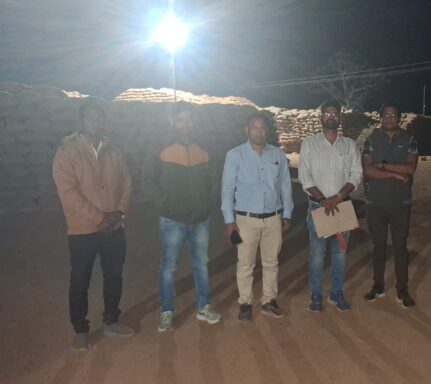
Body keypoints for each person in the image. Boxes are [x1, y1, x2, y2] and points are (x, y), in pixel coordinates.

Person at [52, 101, 134, 350]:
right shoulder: (67, 152)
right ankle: (80, 329)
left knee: (114, 276)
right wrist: (99, 218)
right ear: (81, 121)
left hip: (114, 227)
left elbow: (127, 183)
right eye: (90, 118)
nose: (95, 122)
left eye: (99, 118)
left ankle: (111, 320)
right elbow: (68, 192)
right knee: (80, 279)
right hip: (82, 229)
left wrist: (120, 211)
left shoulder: (114, 152)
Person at [143, 103, 222, 332]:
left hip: (200, 219)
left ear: (194, 122)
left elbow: (214, 178)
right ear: (172, 121)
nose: (185, 124)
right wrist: (167, 204)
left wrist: (206, 202)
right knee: (169, 266)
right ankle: (167, 311)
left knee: (202, 264)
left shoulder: (204, 148)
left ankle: (204, 306)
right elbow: (147, 181)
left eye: (189, 120)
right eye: (180, 120)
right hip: (172, 220)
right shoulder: (160, 147)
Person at [221, 112, 294, 321]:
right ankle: (245, 303)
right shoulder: (235, 155)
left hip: (273, 219)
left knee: (271, 262)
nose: (258, 132)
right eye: (254, 127)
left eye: (262, 128)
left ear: (266, 131)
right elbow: (227, 190)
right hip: (245, 220)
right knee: (245, 263)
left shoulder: (278, 155)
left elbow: (285, 186)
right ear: (247, 130)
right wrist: (229, 221)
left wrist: (287, 214)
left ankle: (269, 301)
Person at [298, 99, 362, 312]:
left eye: (334, 113)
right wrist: (323, 199)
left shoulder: (349, 145)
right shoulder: (309, 144)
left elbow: (356, 173)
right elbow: (304, 175)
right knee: (317, 255)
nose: (331, 116)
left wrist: (338, 197)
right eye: (327, 113)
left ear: (340, 118)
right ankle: (316, 294)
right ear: (321, 117)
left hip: (342, 208)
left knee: (340, 254)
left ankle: (336, 292)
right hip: (318, 208)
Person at [361, 103, 418, 308]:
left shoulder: (409, 140)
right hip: (375, 203)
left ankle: (402, 288)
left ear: (399, 118)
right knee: (378, 246)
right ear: (380, 118)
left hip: (400, 203)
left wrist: (383, 165)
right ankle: (378, 285)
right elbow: (368, 170)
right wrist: (395, 174)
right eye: (386, 115)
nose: (389, 118)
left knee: (400, 247)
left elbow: (410, 168)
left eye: (393, 115)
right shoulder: (370, 140)